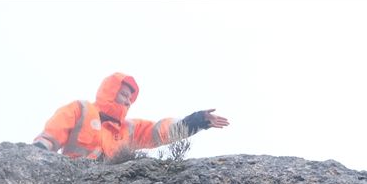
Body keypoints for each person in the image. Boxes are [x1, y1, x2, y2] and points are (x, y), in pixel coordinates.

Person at [33, 72, 229, 159]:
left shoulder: (129, 128)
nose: (128, 102)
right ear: (110, 91)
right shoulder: (81, 109)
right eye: (124, 95)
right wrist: (41, 148)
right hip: (74, 178)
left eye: (130, 99)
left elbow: (160, 131)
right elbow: (55, 131)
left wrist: (196, 121)